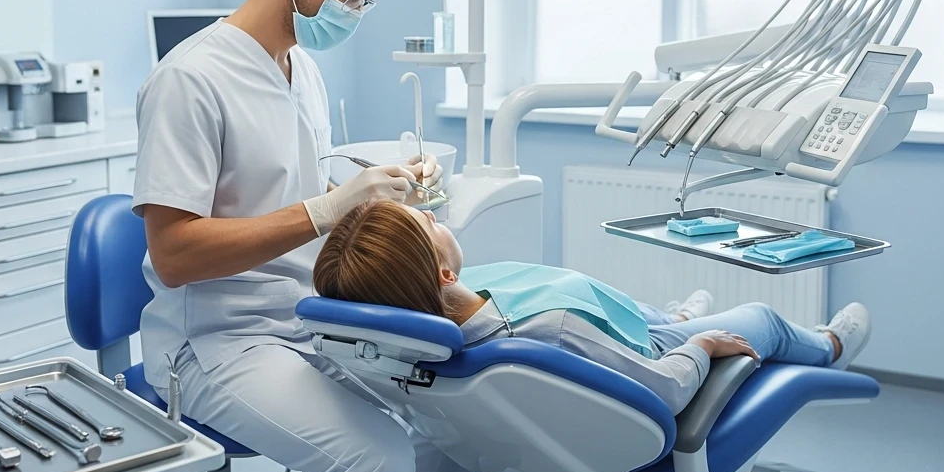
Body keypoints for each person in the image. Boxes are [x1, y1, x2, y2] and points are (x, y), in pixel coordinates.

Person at [133, 0, 475, 472]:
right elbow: (173, 253)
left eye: (363, 1)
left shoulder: (303, 70)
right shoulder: (189, 80)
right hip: (215, 343)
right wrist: (329, 207)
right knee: (373, 460)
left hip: (307, 318)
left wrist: (380, 199)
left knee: (456, 420)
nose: (354, 12)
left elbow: (294, 191)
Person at [313, 200, 872, 416]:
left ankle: (671, 317)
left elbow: (579, 310)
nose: (436, 216)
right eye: (428, 224)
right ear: (443, 274)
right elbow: (663, 389)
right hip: (651, 356)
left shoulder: (437, 320)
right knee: (763, 318)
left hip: (621, 326)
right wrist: (699, 347)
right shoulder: (547, 333)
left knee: (636, 308)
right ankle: (830, 347)